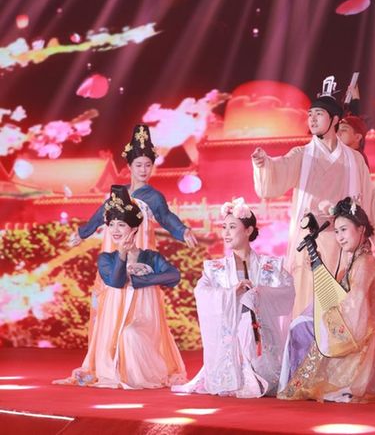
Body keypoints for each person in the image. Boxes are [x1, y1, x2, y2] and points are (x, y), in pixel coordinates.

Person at [251, 76, 375, 317]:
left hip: (343, 245)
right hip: (310, 246)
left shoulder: (354, 159)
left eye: (319, 114)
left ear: (335, 119)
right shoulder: (302, 155)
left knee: (342, 314)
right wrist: (264, 164)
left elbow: (370, 198)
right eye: (310, 115)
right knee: (306, 312)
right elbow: (278, 170)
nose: (312, 119)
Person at [68, 124, 197, 336]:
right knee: (113, 290)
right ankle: (111, 345)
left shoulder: (154, 196)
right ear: (129, 166)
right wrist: (83, 233)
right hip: (116, 245)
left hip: (140, 246)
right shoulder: (119, 194)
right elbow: (101, 214)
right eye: (138, 165)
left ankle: (136, 343)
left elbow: (165, 217)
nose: (143, 170)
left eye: (148, 165)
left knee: (138, 295)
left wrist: (182, 231)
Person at [54, 185, 186, 389]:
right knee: (124, 334)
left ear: (134, 229)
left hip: (144, 317)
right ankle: (119, 371)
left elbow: (173, 276)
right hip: (114, 318)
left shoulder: (150, 257)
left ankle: (144, 375)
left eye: (121, 225)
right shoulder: (107, 258)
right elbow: (116, 281)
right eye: (112, 225)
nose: (115, 230)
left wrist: (140, 279)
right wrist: (123, 255)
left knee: (130, 334)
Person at [277, 197, 375, 403]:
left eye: (344, 230)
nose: (340, 237)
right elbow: (339, 294)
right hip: (355, 326)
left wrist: (327, 318)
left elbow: (356, 311)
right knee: (301, 324)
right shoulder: (355, 260)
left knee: (301, 327)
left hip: (362, 339)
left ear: (361, 229)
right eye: (336, 231)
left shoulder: (365, 264)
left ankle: (302, 383)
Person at [172, 198, 295, 398]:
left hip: (262, 337)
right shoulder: (216, 268)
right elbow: (201, 292)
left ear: (248, 230)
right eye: (224, 227)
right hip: (232, 336)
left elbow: (287, 291)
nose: (226, 233)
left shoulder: (270, 266)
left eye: (232, 227)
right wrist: (231, 292)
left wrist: (260, 293)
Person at [337, 83, 371, 166]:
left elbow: (355, 124)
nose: (338, 134)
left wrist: (355, 100)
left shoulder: (356, 159)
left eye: (344, 130)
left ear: (357, 137)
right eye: (337, 130)